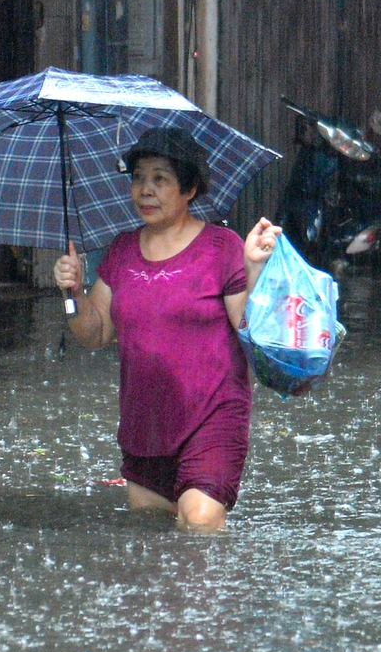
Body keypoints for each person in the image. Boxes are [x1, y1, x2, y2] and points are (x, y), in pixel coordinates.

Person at [53, 127, 280, 532]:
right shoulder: (121, 250)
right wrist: (73, 292)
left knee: (200, 523)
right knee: (151, 540)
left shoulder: (221, 247)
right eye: (138, 178)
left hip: (212, 416)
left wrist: (253, 268)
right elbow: (96, 333)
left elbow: (249, 328)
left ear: (189, 188)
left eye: (160, 179)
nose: (145, 190)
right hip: (146, 423)